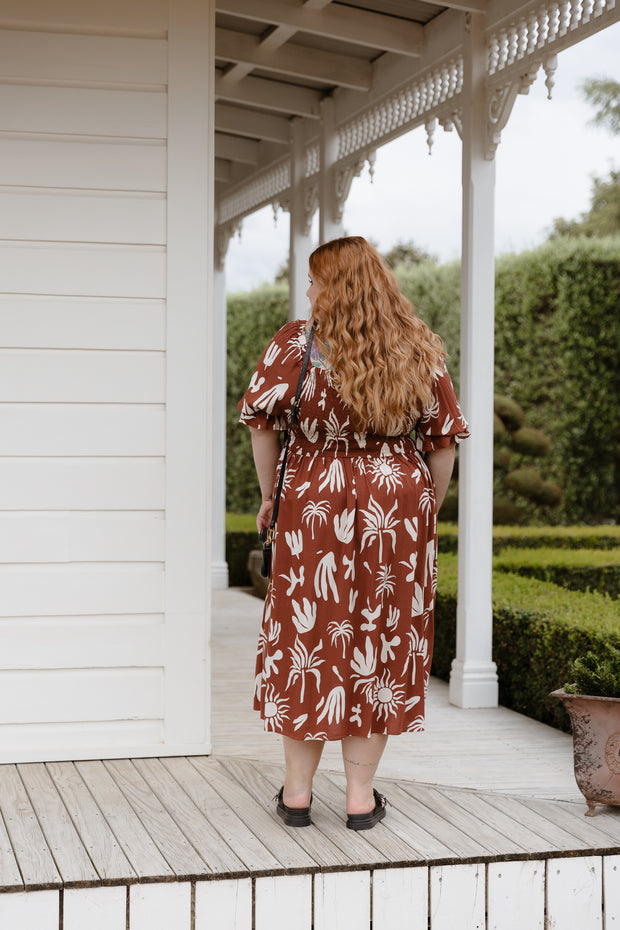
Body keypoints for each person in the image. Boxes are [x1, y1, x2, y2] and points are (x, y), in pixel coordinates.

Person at [238, 236, 469, 830]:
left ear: (335, 285)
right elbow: (442, 443)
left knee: (310, 642)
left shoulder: (297, 342)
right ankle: (360, 799)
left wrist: (270, 497)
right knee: (379, 641)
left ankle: (296, 795)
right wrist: (425, 509)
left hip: (315, 500)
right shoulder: (420, 346)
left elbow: (262, 423)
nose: (309, 290)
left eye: (315, 280)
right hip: (398, 506)